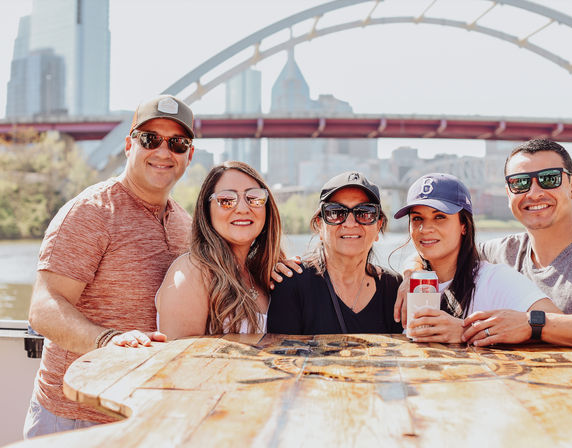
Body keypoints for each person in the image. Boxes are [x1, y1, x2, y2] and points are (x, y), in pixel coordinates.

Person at [24, 95, 196, 437]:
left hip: (141, 415)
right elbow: (43, 309)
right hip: (73, 417)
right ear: (129, 145)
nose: (164, 152)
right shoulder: (92, 212)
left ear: (189, 155)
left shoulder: (185, 224)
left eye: (177, 143)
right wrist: (108, 340)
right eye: (150, 139)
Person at [395, 139, 572, 352]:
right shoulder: (499, 253)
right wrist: (413, 273)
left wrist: (531, 324)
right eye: (520, 182)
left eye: (549, 179)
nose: (534, 192)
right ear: (509, 194)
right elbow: (443, 250)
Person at [394, 173, 561, 343]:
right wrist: (410, 275)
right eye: (417, 218)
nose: (425, 228)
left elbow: (559, 323)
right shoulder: (408, 284)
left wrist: (467, 332)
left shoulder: (495, 280)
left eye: (439, 217)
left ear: (464, 225)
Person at [156, 161, 285, 337]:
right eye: (226, 200)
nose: (242, 208)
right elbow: (181, 359)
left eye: (254, 198)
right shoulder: (192, 271)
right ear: (207, 210)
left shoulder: (264, 275)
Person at [267, 171, 403, 334]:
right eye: (336, 212)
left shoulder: (393, 287)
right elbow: (282, 357)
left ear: (378, 225)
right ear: (319, 226)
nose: (350, 223)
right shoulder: (292, 283)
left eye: (365, 212)